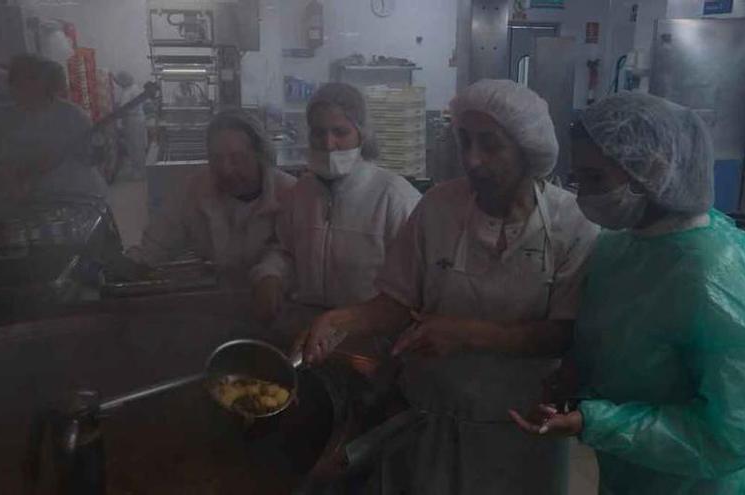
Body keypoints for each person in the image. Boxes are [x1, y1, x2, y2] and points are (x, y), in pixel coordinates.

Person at [294, 80, 600, 494]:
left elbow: (563, 333)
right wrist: (340, 320)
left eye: (490, 145)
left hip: (522, 427)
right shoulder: (437, 207)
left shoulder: (572, 224)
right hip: (432, 416)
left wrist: (464, 334)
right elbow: (398, 301)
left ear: (528, 149)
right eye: (465, 141)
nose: (472, 160)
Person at [510, 92, 745, 494]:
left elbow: (736, 435)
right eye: (578, 177)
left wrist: (597, 422)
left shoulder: (711, 274)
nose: (581, 193)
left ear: (651, 169)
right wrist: (577, 379)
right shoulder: (621, 246)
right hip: (632, 472)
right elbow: (626, 352)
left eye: (595, 178)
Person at [250, 82, 421, 321]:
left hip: (370, 331)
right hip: (306, 325)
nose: (329, 144)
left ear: (362, 134)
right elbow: (284, 251)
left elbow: (413, 283)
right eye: (319, 133)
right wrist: (270, 276)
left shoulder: (394, 198)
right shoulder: (300, 194)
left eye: (340, 132)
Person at [126, 110, 296, 283]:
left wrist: (270, 276)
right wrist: (134, 263)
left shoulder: (289, 194)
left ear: (260, 156)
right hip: (223, 293)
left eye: (237, 158)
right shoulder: (195, 189)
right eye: (216, 159)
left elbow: (291, 252)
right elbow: (161, 237)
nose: (226, 169)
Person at [0, 54, 108, 199]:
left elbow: (93, 156)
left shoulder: (72, 115)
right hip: (38, 199)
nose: (22, 89)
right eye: (17, 84)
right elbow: (3, 161)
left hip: (79, 195)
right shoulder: (8, 119)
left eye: (29, 81)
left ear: (42, 83)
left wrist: (96, 143)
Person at [113, 71, 148, 181]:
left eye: (119, 82)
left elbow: (131, 107)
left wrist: (120, 111)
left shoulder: (133, 89)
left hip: (135, 120)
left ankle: (140, 172)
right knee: (132, 146)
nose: (119, 84)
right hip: (131, 121)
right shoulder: (127, 90)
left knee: (137, 146)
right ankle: (137, 170)